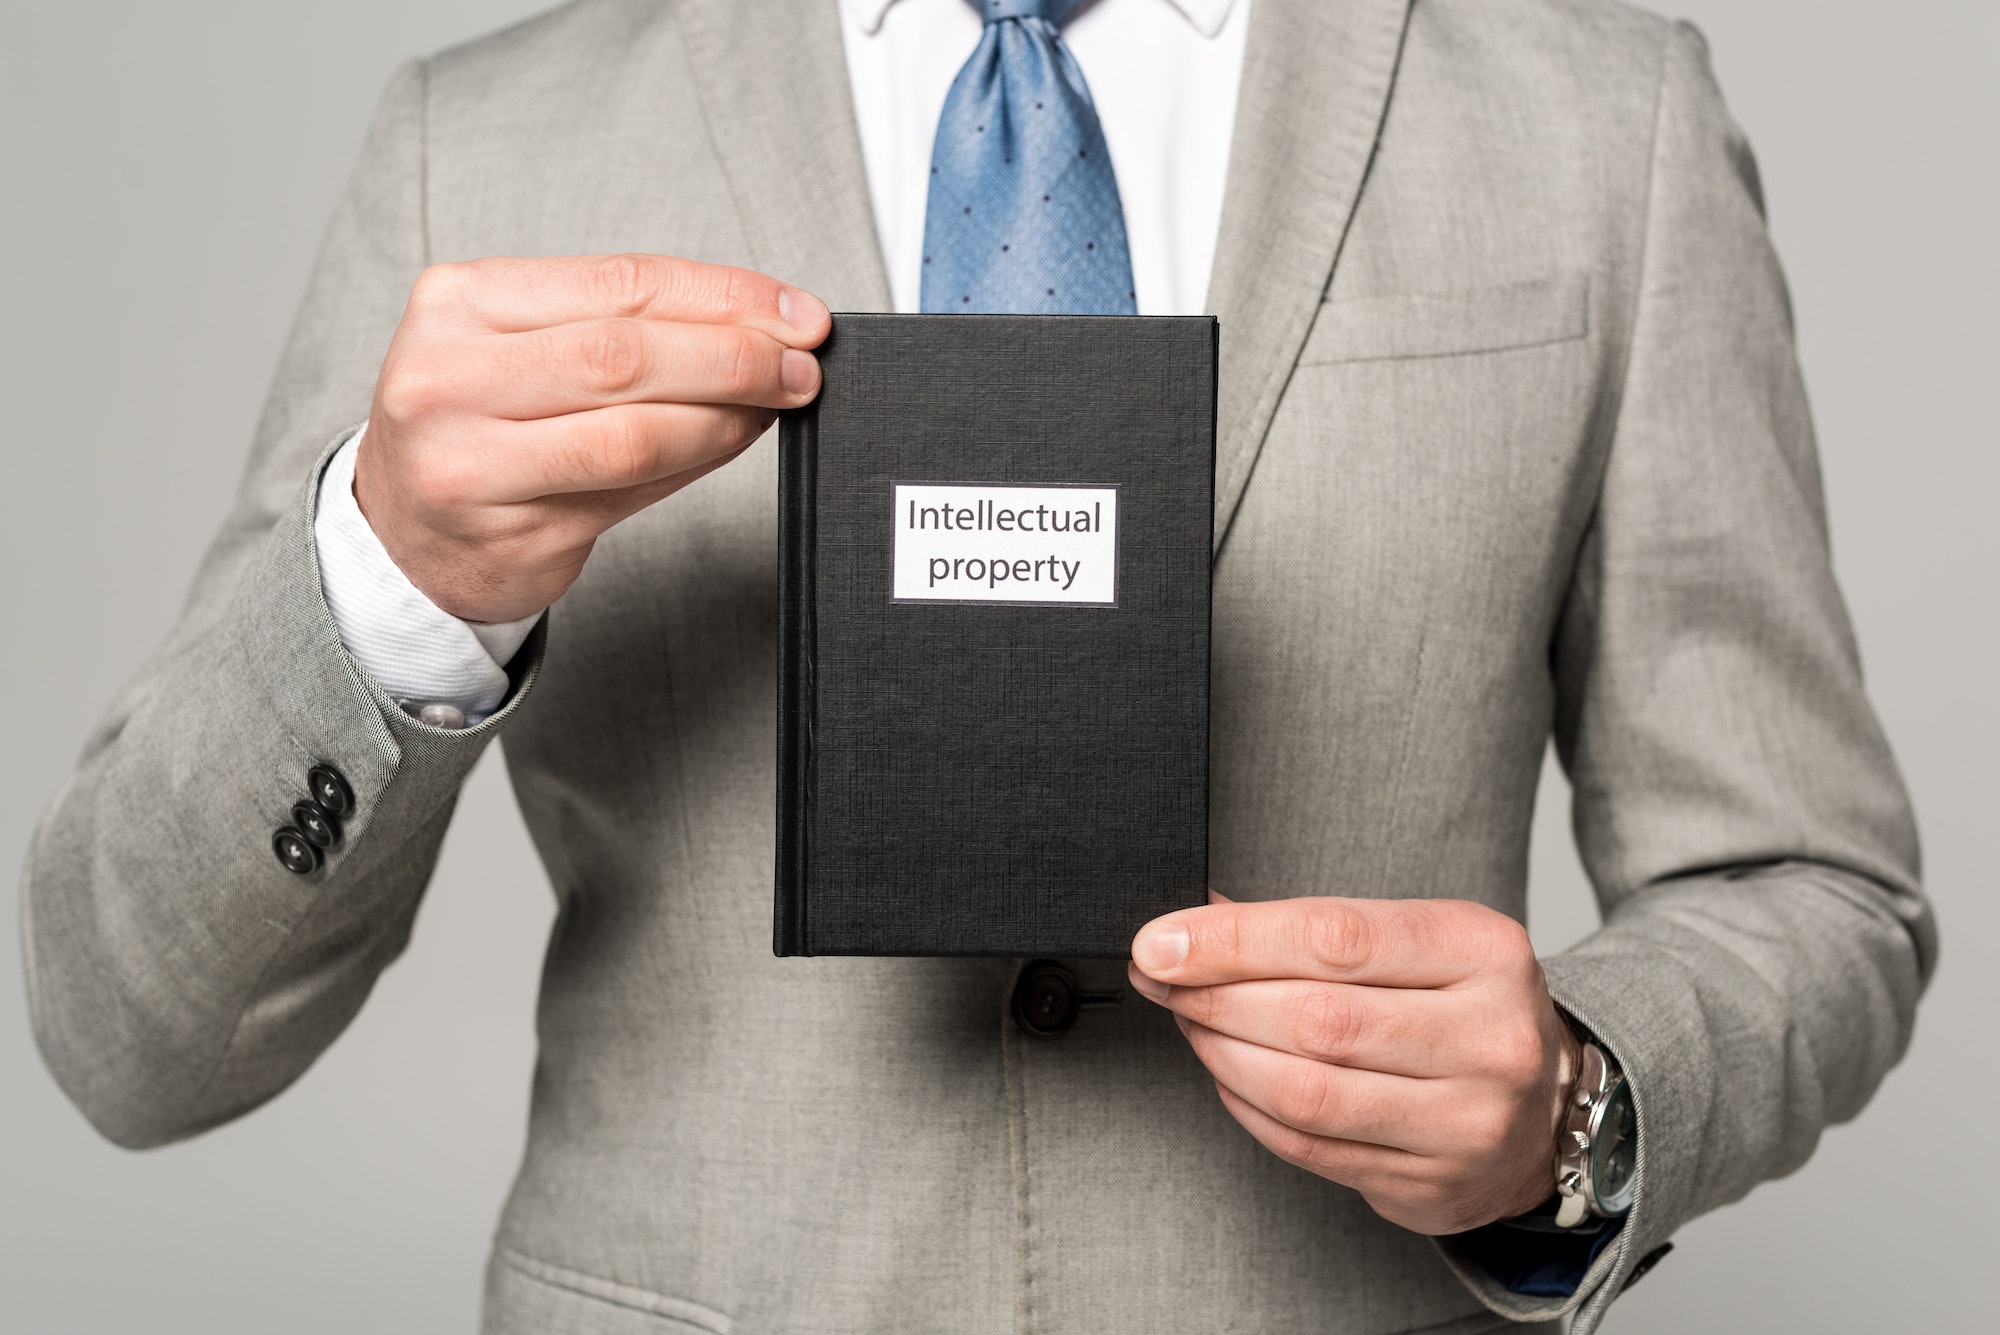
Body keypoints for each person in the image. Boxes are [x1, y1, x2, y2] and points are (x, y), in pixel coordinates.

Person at [20, 1, 1934, 1332]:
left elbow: (1810, 886)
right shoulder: (484, 141)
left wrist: (1578, 1108)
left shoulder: (1609, 123)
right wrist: (396, 573)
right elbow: (132, 1035)